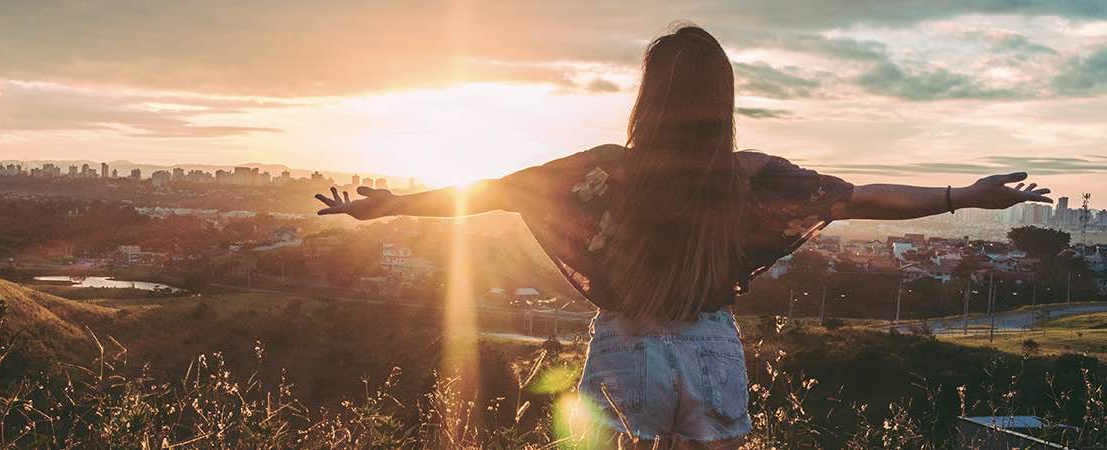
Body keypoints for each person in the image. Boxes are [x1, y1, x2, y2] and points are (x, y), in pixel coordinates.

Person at [315, 25, 1052, 449]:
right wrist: (963, 195)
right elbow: (861, 200)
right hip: (709, 345)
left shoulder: (604, 173)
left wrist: (385, 208)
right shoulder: (752, 177)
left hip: (626, 343)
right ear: (722, 98)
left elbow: (487, 193)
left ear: (648, 95)